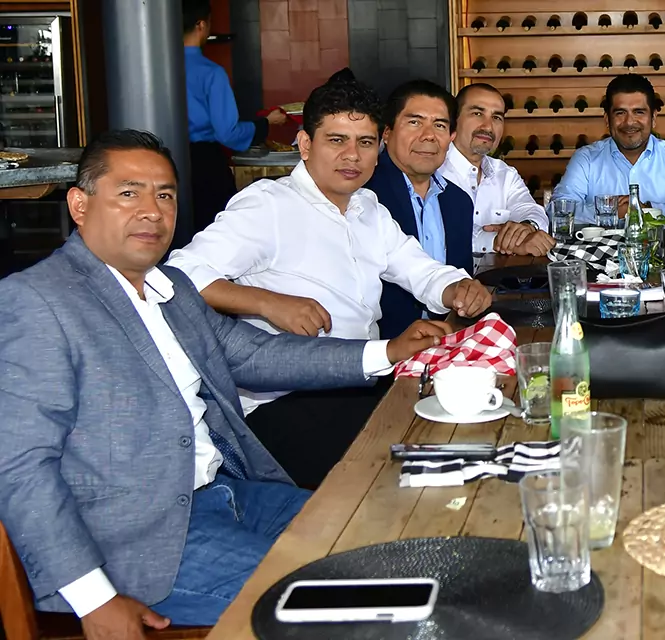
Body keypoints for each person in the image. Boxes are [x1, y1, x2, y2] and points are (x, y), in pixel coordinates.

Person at [0, 129, 452, 634]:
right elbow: (19, 465)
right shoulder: (38, 301)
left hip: (228, 494)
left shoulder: (170, 288)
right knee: (365, 601)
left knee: (396, 539)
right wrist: (93, 598)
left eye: (165, 195)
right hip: (139, 546)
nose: (152, 211)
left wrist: (387, 352)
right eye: (129, 193)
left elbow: (255, 354)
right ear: (80, 205)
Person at [167, 77, 491, 489]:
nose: (352, 155)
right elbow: (179, 275)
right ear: (305, 145)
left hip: (364, 380)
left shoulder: (367, 208)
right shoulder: (269, 204)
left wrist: (456, 287)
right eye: (337, 140)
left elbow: (418, 268)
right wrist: (266, 301)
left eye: (365, 142)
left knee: (464, 438)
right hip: (284, 402)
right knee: (406, 476)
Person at [363, 79, 478, 333]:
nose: (428, 135)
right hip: (383, 347)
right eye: (415, 122)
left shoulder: (459, 201)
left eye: (439, 125)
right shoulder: (364, 196)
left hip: (449, 341)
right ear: (387, 132)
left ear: (451, 137)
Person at [551, 74, 665, 223]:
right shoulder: (586, 158)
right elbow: (557, 209)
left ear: (653, 118)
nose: (629, 122)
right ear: (607, 119)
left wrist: (647, 210)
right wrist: (611, 211)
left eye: (639, 112)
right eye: (620, 113)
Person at [182, 0, 286, 233]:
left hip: (170, 160)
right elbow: (227, 133)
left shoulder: (161, 68)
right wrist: (265, 123)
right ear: (201, 25)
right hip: (204, 164)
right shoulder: (211, 72)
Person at [439, 82, 554, 256]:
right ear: (454, 120)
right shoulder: (433, 170)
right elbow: (440, 234)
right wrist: (498, 241)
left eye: (497, 117)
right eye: (477, 113)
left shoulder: (505, 174)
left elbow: (531, 210)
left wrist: (527, 227)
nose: (488, 126)